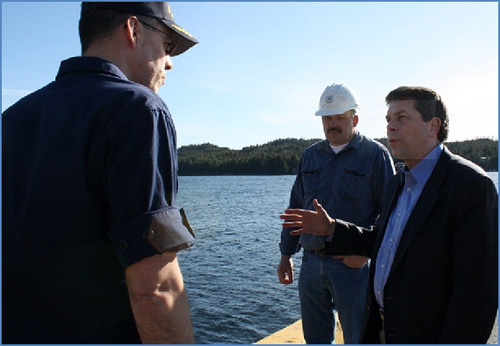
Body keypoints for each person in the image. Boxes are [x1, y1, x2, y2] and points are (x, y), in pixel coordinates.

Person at [3, 2, 198, 343]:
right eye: (167, 46)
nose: (169, 62)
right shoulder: (140, 110)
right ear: (133, 29)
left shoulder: (12, 118)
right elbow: (154, 287)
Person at [281, 86, 498, 344]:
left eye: (401, 118)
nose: (390, 127)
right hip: (377, 320)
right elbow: (386, 240)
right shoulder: (401, 181)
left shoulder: (470, 185)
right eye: (388, 119)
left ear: (433, 126)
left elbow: (476, 296)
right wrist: (330, 230)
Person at [277, 83, 395, 344]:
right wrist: (286, 255)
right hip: (310, 264)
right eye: (327, 118)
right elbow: (295, 207)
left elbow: (390, 217)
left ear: (354, 119)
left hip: (351, 268)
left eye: (340, 117)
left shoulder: (376, 156)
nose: (333, 124)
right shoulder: (310, 156)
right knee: (315, 339)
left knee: (358, 337)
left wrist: (365, 253)